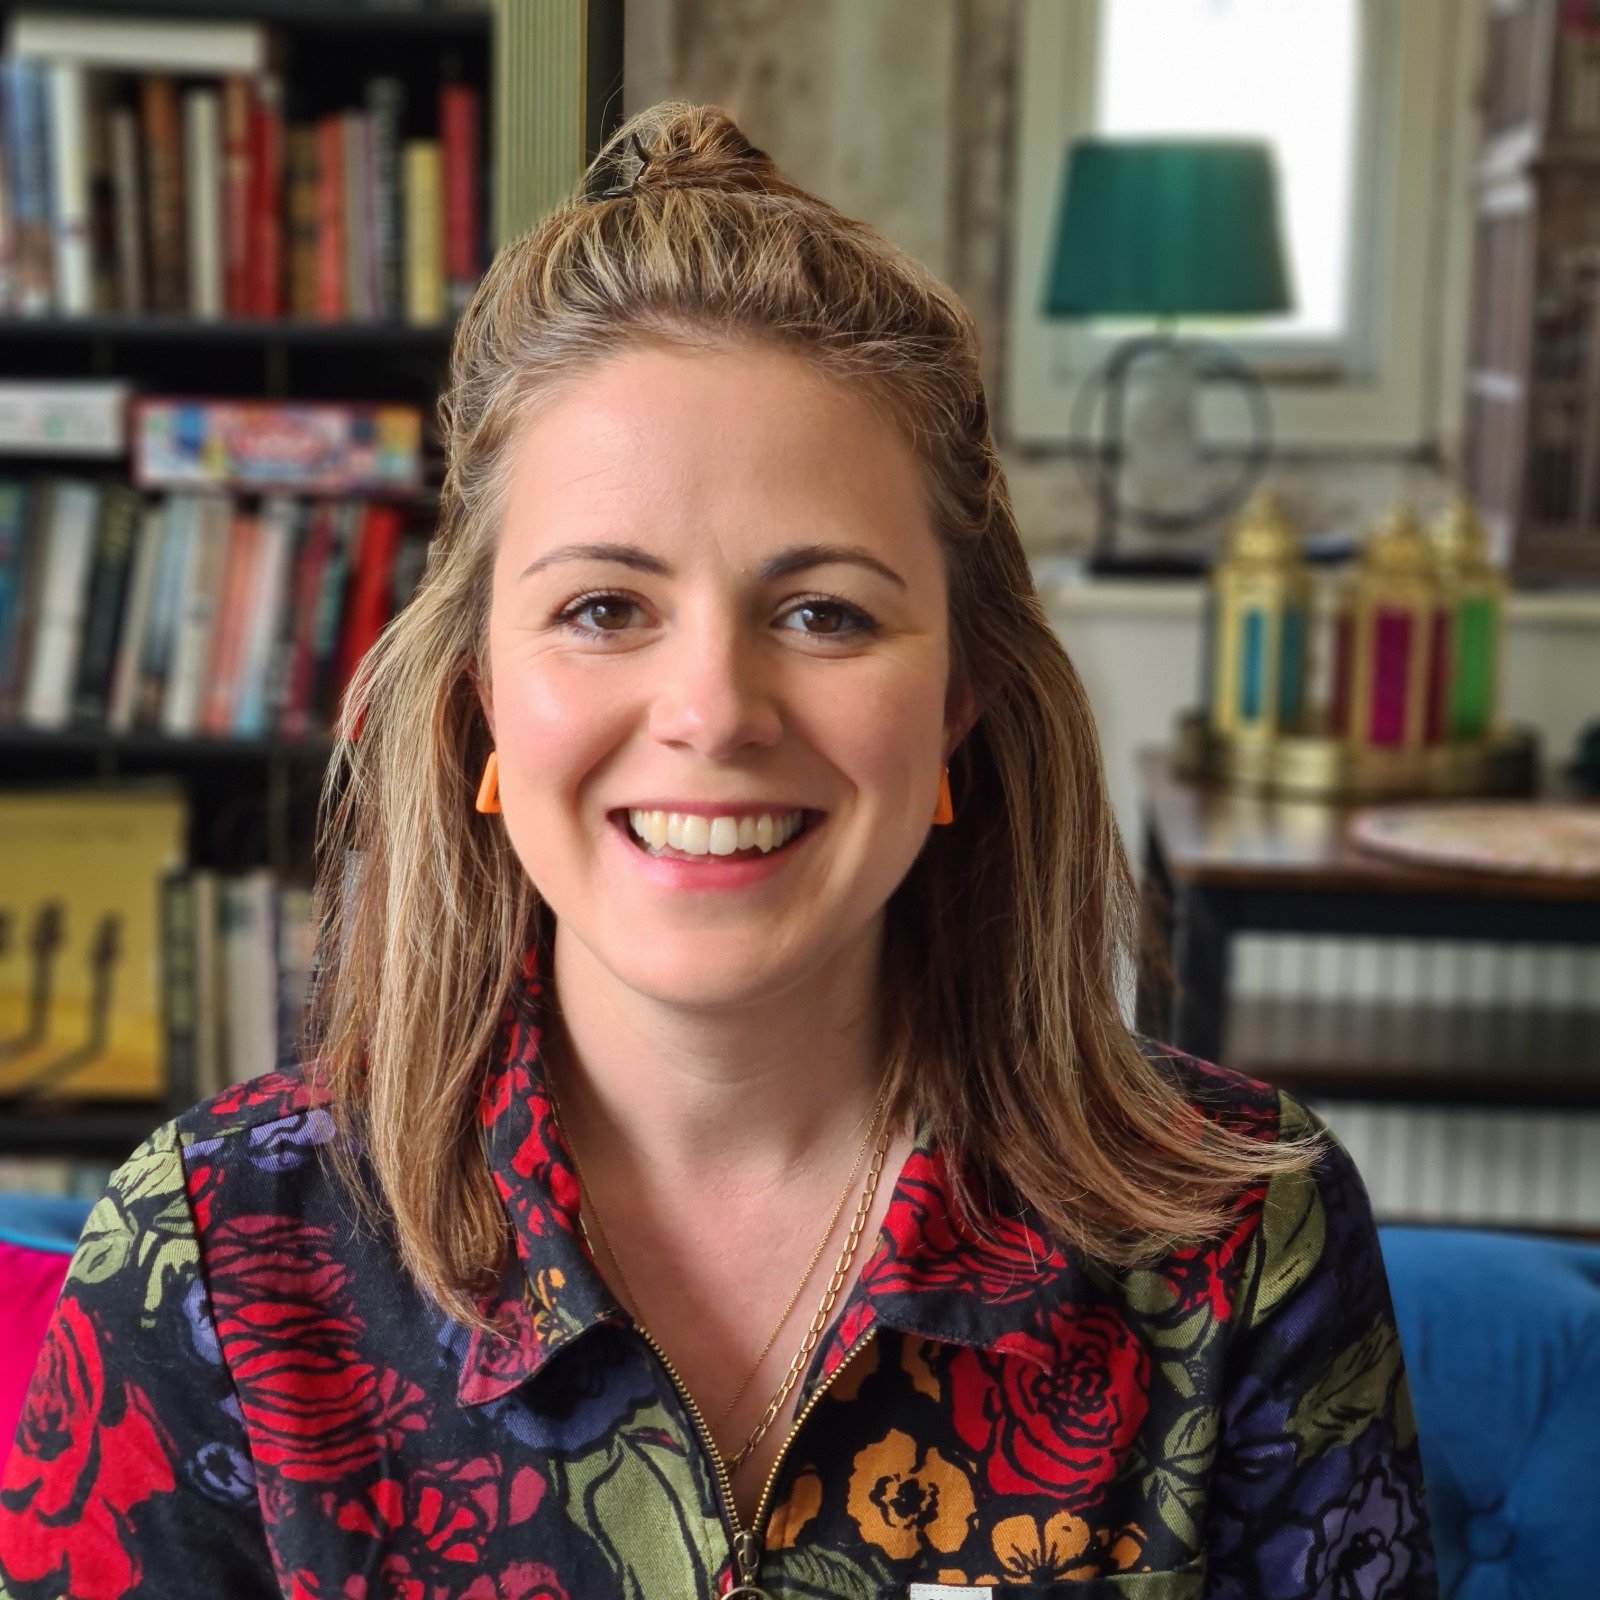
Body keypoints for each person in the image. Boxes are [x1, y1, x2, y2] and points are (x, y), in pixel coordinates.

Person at [0, 103, 1436, 1600]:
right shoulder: (217, 1253)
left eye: (824, 612)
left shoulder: (1239, 1241)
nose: (712, 713)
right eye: (605, 608)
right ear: (486, 694)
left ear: (958, 702)